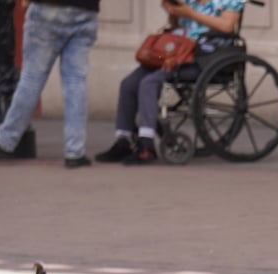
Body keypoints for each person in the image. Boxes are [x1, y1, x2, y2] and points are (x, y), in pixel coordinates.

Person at [94, 0, 244, 165]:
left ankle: (146, 145)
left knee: (149, 83)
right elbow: (175, 26)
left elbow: (227, 26)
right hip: (176, 53)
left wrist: (190, 13)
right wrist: (173, 12)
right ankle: (124, 140)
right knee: (129, 83)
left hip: (204, 58)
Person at [0, 0, 100, 168]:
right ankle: (75, 152)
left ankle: (6, 141)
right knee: (75, 81)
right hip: (86, 11)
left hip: (48, 9)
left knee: (32, 78)